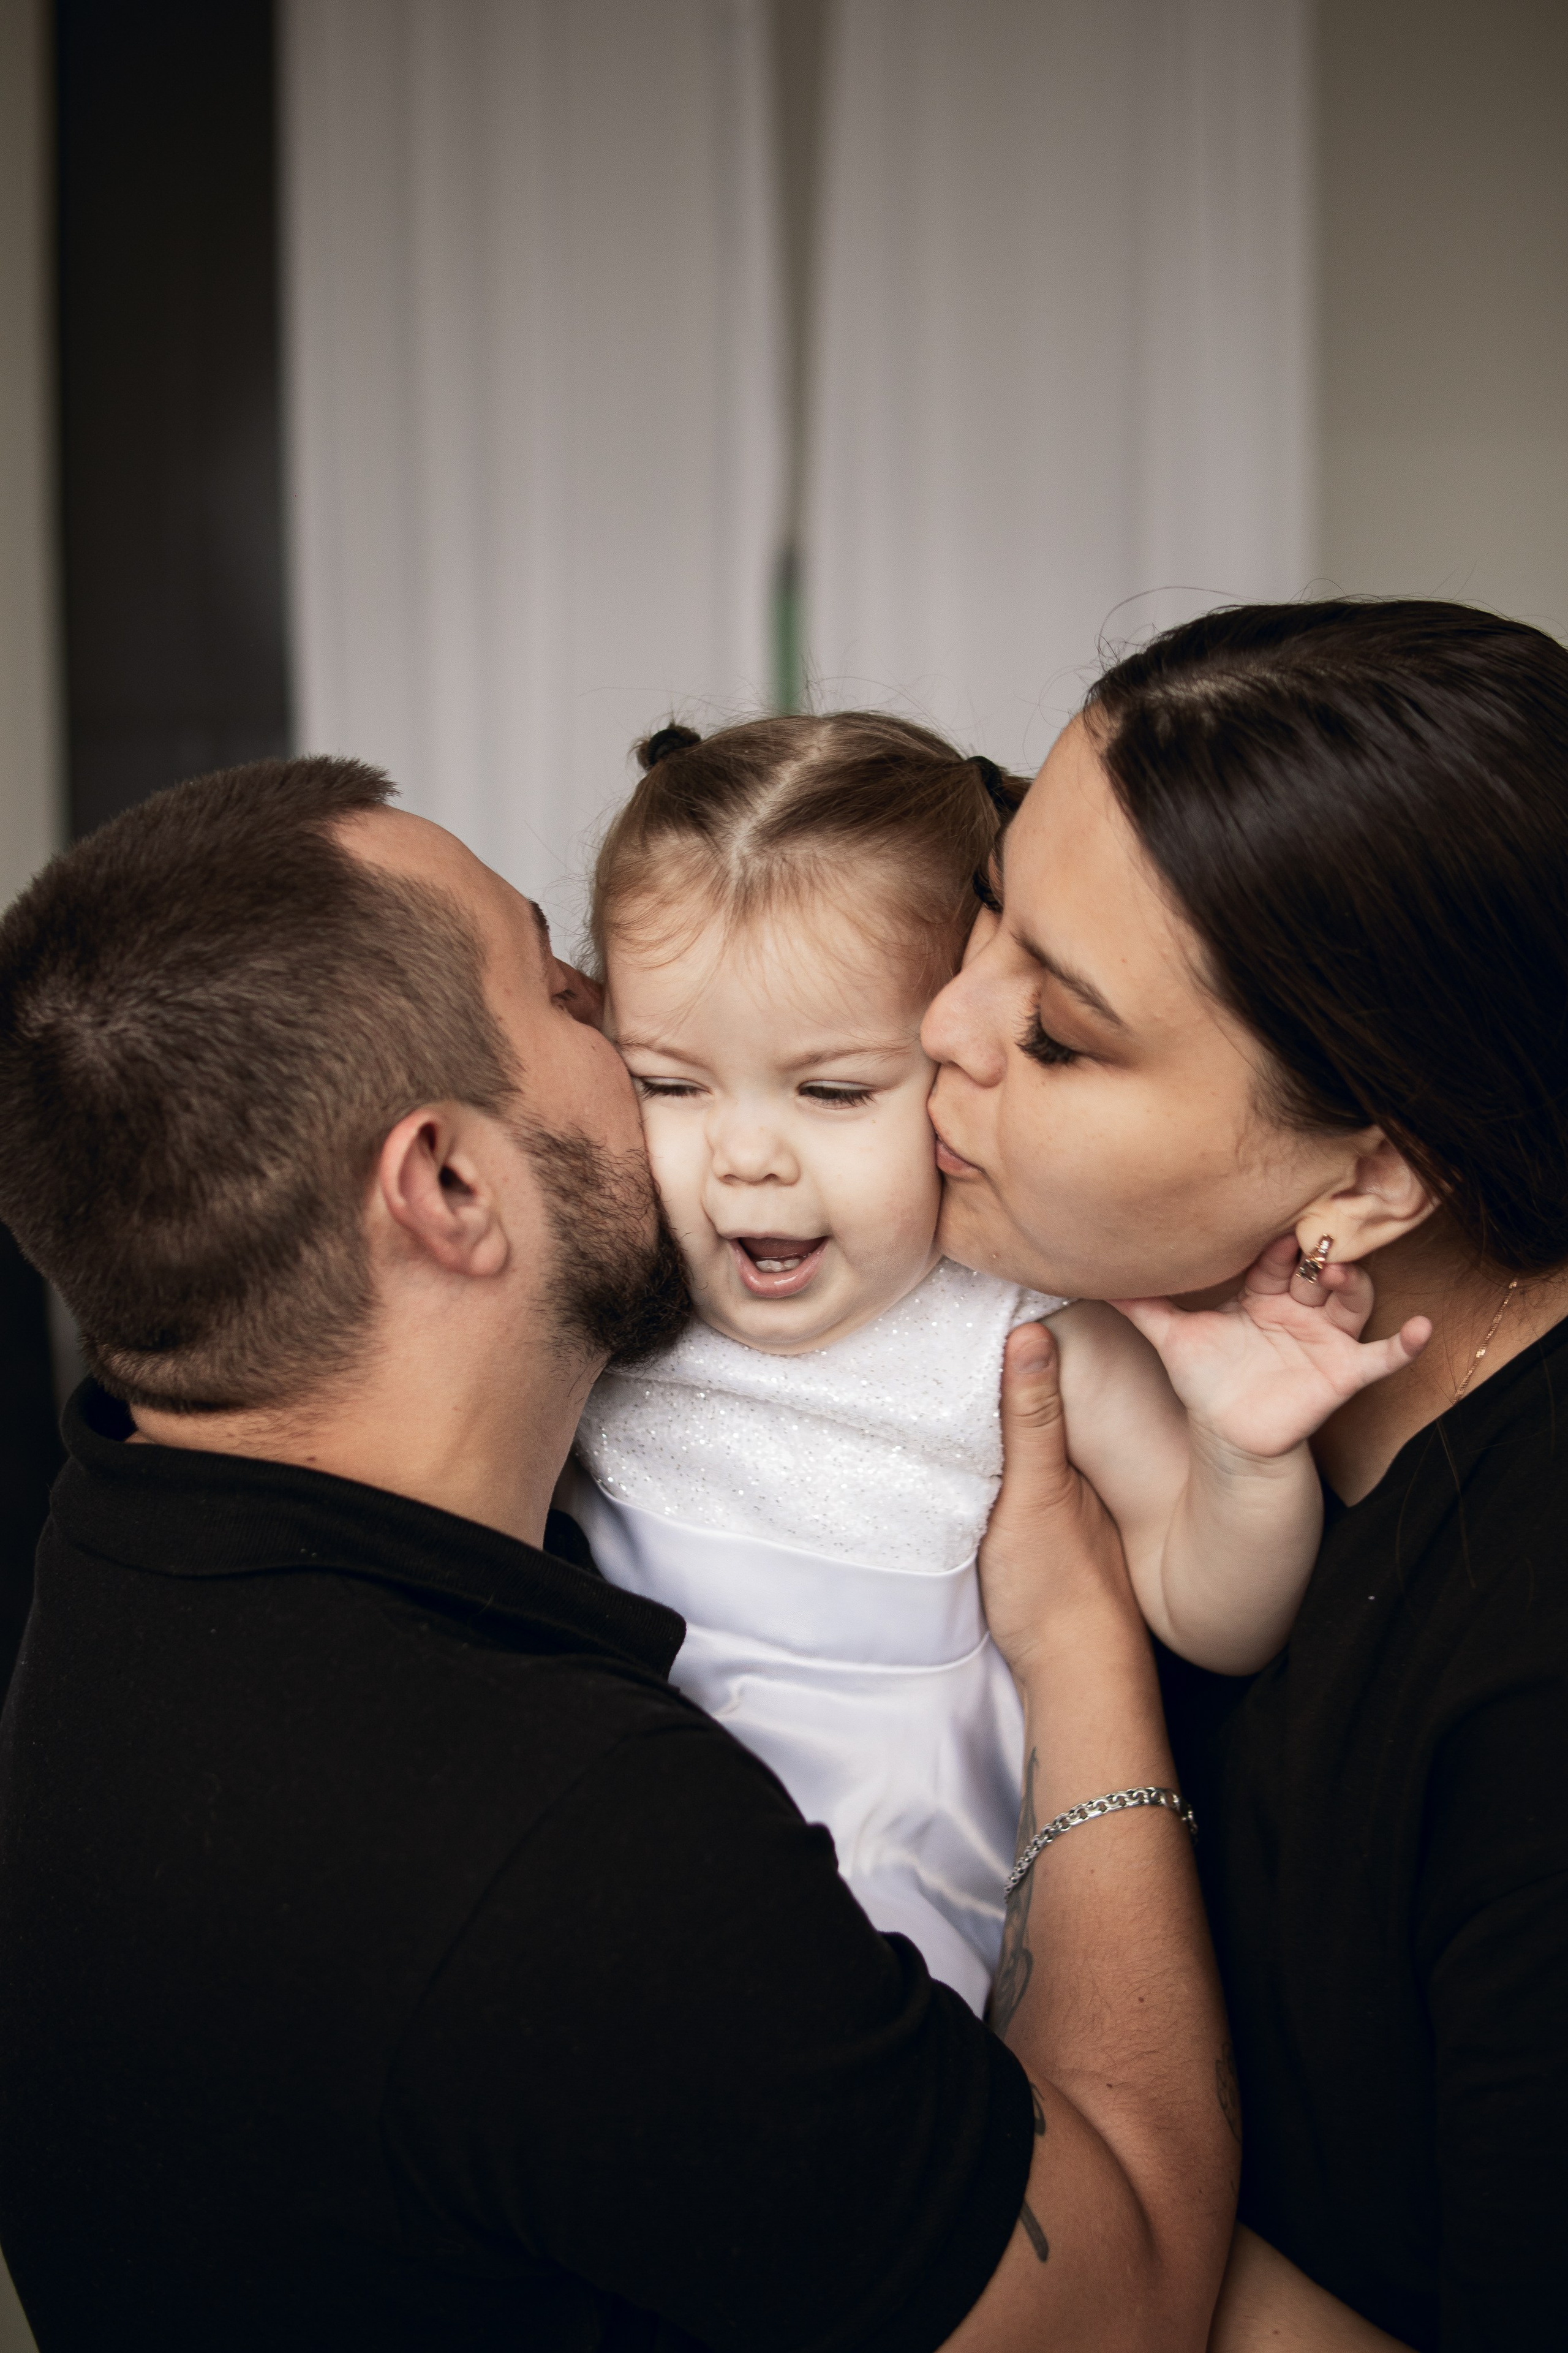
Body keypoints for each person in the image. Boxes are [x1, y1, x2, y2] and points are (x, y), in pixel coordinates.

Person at [0, 755, 1232, 2350]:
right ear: (448, 1185)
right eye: (564, 994)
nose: (617, 1006)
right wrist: (1078, 1655)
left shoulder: (123, 1555)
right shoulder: (557, 1851)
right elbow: (1115, 2303)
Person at [922, 599, 1568, 2353]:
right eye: (986, 916)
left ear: (1367, 1186)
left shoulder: (1528, 1675)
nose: (940, 1024)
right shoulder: (1125, 1360)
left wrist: (1040, 2213)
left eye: (1053, 1033)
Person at [567, 712, 1428, 2014]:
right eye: (670, 1085)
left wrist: (1242, 1455)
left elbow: (1217, 1617)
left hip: (907, 1922)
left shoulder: (1017, 1330)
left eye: (834, 1091)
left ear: (960, 1071)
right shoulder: (610, 1293)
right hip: (609, 1874)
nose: (742, 1157)